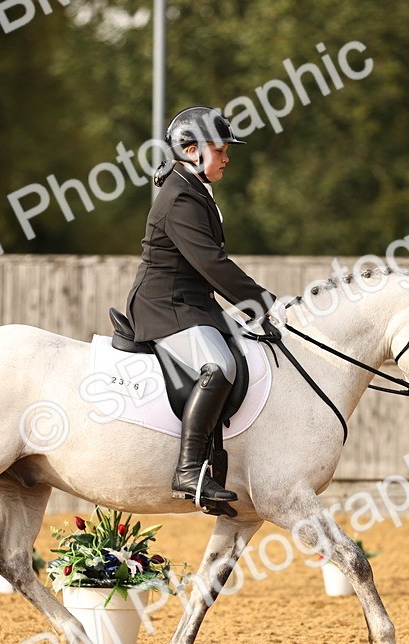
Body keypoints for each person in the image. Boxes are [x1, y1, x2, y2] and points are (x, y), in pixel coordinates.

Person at [125, 106, 289, 512]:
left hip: (195, 303)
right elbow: (212, 264)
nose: (227, 157)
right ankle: (188, 470)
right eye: (220, 150)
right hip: (165, 304)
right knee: (219, 366)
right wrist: (264, 303)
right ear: (192, 150)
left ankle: (223, 463)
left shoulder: (194, 188)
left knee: (250, 350)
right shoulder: (180, 197)